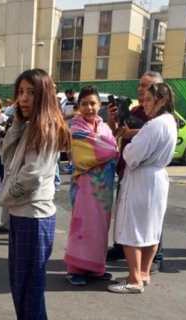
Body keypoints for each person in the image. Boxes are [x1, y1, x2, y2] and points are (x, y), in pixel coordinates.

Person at [0, 69, 70, 320]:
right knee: (22, 280)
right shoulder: (30, 125)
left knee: (29, 281)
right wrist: (17, 121)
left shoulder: (47, 127)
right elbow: (6, 156)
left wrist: (3, 198)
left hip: (34, 215)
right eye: (20, 92)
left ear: (43, 94)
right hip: (22, 212)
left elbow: (32, 175)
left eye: (30, 92)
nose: (24, 98)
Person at [108, 82, 177, 294]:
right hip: (155, 178)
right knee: (151, 228)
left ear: (162, 100)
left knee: (133, 228)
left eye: (148, 99)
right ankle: (144, 273)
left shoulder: (155, 125)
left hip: (142, 179)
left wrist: (127, 146)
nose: (144, 104)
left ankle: (134, 278)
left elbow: (132, 155)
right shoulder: (170, 122)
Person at [106, 71, 166, 271]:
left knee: (150, 217)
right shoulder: (135, 110)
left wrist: (133, 132)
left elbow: (156, 132)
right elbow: (118, 132)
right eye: (141, 85)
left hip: (145, 170)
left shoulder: (161, 116)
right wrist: (114, 119)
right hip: (127, 168)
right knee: (125, 213)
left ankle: (153, 256)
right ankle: (121, 247)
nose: (142, 90)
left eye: (148, 87)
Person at [64, 86, 119, 286]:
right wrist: (111, 149)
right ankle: (75, 269)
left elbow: (109, 146)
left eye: (93, 103)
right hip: (85, 185)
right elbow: (96, 151)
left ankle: (96, 267)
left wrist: (109, 147)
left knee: (100, 228)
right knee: (83, 226)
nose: (89, 108)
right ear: (78, 107)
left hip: (103, 188)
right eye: (85, 104)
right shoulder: (76, 128)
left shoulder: (104, 127)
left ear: (100, 105)